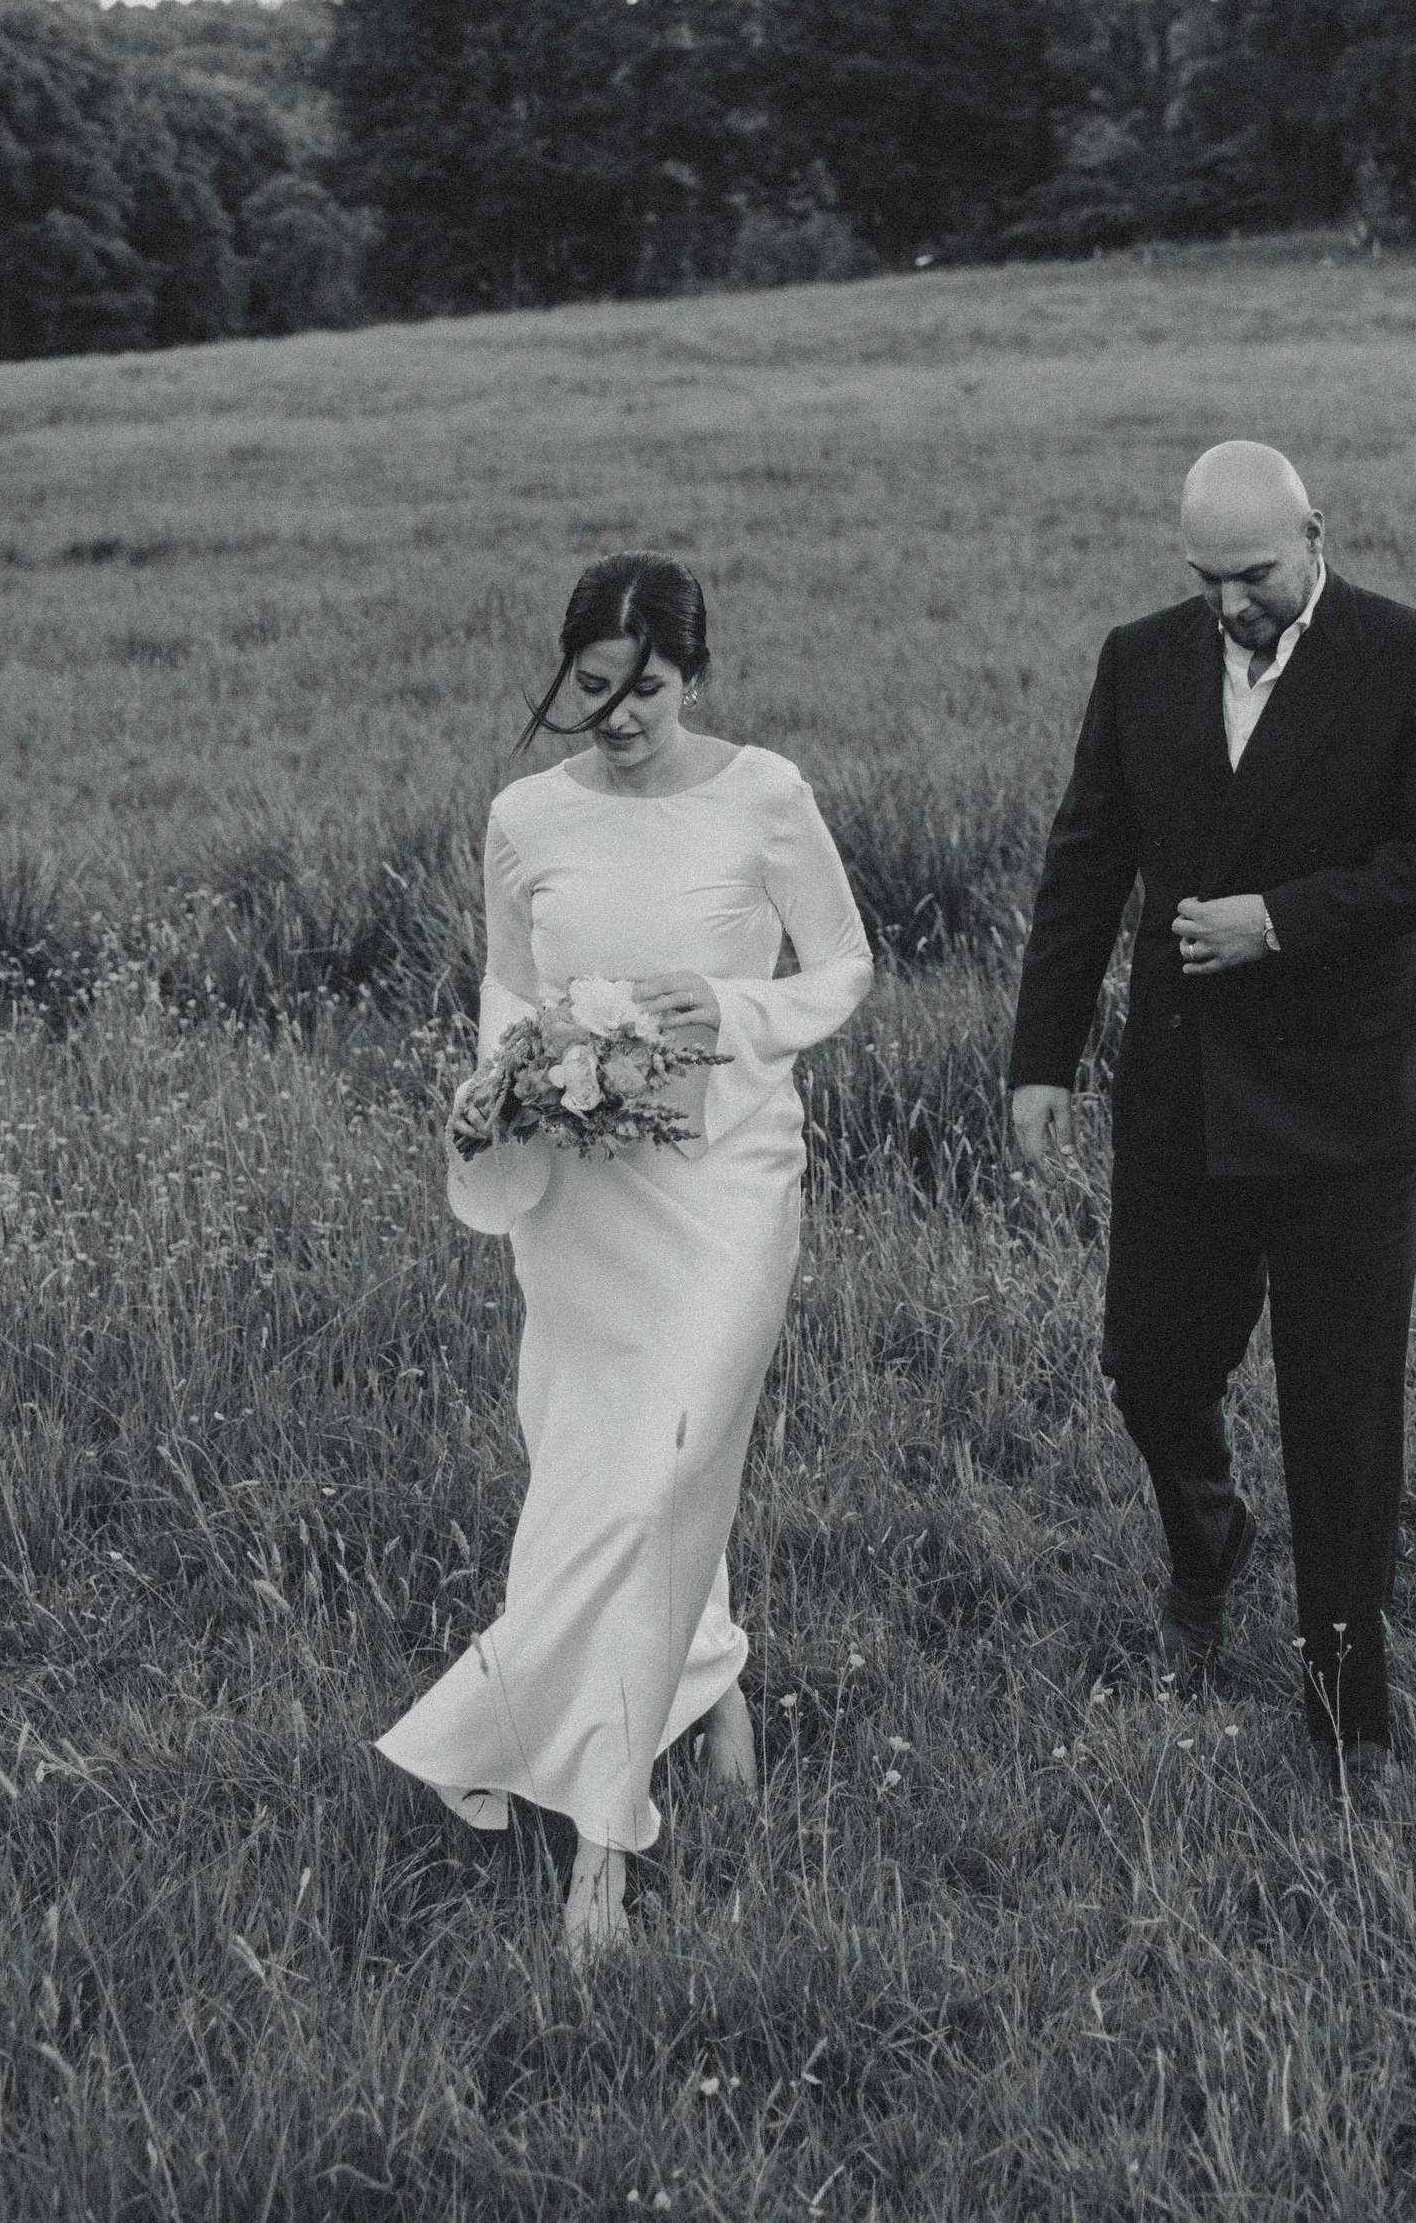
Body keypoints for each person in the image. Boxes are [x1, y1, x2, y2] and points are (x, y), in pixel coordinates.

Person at [377, 553, 872, 1957]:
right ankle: (705, 1671)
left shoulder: (765, 793)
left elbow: (841, 969)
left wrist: (727, 1008)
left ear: (693, 675)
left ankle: (604, 1840)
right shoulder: (523, 817)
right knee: (600, 1475)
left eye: (645, 687)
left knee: (663, 1470)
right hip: (583, 1200)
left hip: (725, 1186)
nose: (619, 714)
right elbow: (507, 991)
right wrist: (497, 1085)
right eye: (591, 686)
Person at [1006, 441, 1416, 1781]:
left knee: (1342, 1414)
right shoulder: (1140, 660)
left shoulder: (1414, 660)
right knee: (1152, 1368)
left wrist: (1281, 920)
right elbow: (1085, 861)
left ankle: (1347, 1708)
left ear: (1315, 538)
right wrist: (1039, 1059)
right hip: (1182, 1096)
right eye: (1206, 577)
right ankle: (1208, 1540)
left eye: (1253, 575)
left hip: (1349, 1106)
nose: (1229, 603)